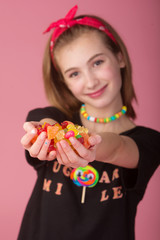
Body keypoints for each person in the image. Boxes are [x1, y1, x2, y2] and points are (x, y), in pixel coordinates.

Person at [18, 5, 160, 240]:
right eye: (74, 74)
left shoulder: (150, 142)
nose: (91, 82)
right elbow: (43, 120)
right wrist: (46, 131)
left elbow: (118, 148)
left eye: (97, 63)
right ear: (64, 83)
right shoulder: (55, 117)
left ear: (120, 57)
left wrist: (87, 145)